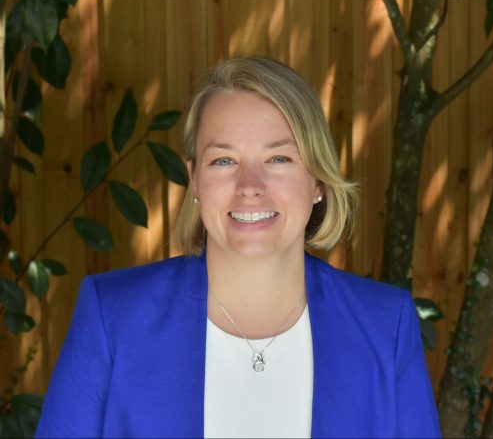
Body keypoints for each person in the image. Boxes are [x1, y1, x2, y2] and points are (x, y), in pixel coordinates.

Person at [35, 57, 441, 438]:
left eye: (279, 159)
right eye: (224, 161)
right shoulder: (112, 317)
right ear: (194, 180)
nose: (250, 186)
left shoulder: (386, 325)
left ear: (318, 179)